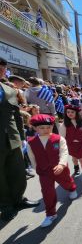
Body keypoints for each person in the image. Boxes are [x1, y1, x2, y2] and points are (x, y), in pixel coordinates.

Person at [0, 58, 39, 221]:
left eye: (3, 68)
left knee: (17, 171)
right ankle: (6, 205)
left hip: (12, 136)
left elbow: (16, 114)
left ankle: (18, 199)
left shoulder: (9, 89)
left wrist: (22, 137)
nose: (1, 70)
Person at [27, 114, 77, 228]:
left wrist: (62, 164)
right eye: (42, 127)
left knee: (66, 182)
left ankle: (72, 188)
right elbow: (32, 157)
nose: (46, 130)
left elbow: (64, 152)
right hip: (44, 171)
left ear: (52, 126)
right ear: (35, 128)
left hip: (60, 168)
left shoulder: (59, 139)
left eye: (48, 127)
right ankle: (51, 213)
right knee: (47, 192)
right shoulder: (31, 142)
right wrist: (37, 168)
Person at [59, 104, 82, 182]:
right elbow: (61, 136)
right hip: (71, 144)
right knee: (74, 158)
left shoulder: (81, 122)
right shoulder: (65, 124)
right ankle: (76, 167)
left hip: (81, 143)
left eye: (72, 112)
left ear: (76, 113)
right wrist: (61, 146)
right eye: (68, 112)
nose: (70, 113)